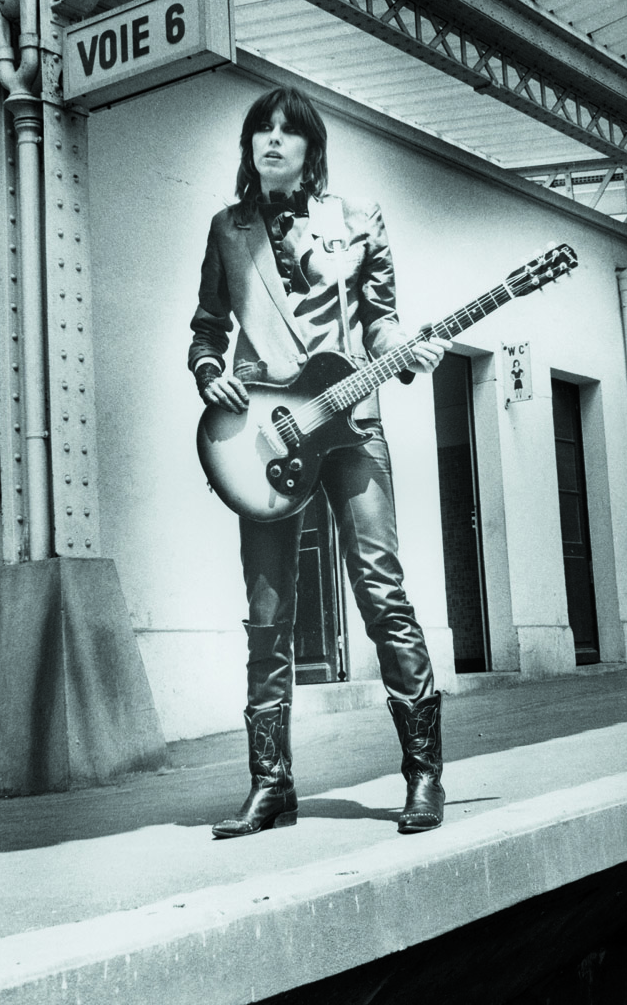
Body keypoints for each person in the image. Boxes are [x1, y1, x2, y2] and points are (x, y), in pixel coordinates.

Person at [189, 85, 450, 840]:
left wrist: (403, 348)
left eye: (287, 131)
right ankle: (271, 786)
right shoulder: (227, 229)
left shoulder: (356, 219)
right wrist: (212, 373)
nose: (271, 140)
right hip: (263, 435)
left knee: (381, 591)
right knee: (268, 617)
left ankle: (423, 775)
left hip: (351, 428)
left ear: (310, 149)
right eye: (259, 131)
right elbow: (208, 330)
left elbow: (380, 319)